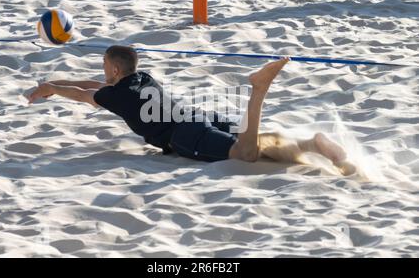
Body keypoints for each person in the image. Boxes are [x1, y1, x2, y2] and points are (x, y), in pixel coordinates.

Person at [26, 45, 354, 175]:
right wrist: (53, 82)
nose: (101, 73)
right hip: (198, 116)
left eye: (104, 67)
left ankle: (258, 90)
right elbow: (91, 84)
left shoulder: (117, 96)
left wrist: (54, 89)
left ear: (113, 69)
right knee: (263, 146)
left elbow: (84, 93)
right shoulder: (141, 78)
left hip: (183, 134)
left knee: (247, 154)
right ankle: (313, 144)